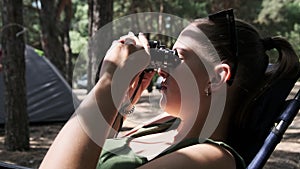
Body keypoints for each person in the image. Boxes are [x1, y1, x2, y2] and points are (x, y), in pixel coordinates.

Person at [39, 9, 300, 169]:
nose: (162, 66)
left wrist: (107, 83)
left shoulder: (211, 159)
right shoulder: (165, 125)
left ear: (217, 77)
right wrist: (122, 97)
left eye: (179, 56)